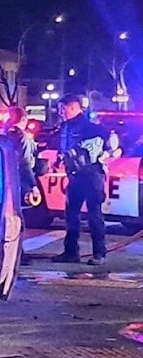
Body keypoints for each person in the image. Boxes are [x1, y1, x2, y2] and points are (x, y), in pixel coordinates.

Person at [53, 94, 109, 265]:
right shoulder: (65, 126)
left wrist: (105, 154)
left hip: (92, 174)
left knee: (94, 214)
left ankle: (99, 254)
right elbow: (63, 147)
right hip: (75, 175)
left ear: (73, 107)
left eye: (63, 109)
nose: (61, 112)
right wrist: (58, 160)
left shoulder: (91, 127)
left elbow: (110, 144)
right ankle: (71, 253)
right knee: (71, 214)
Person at [5, 107, 39, 264]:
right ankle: (19, 253)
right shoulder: (22, 137)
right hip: (17, 181)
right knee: (17, 217)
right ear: (24, 120)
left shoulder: (3, 134)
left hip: (2, 181)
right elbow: (25, 164)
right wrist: (33, 185)